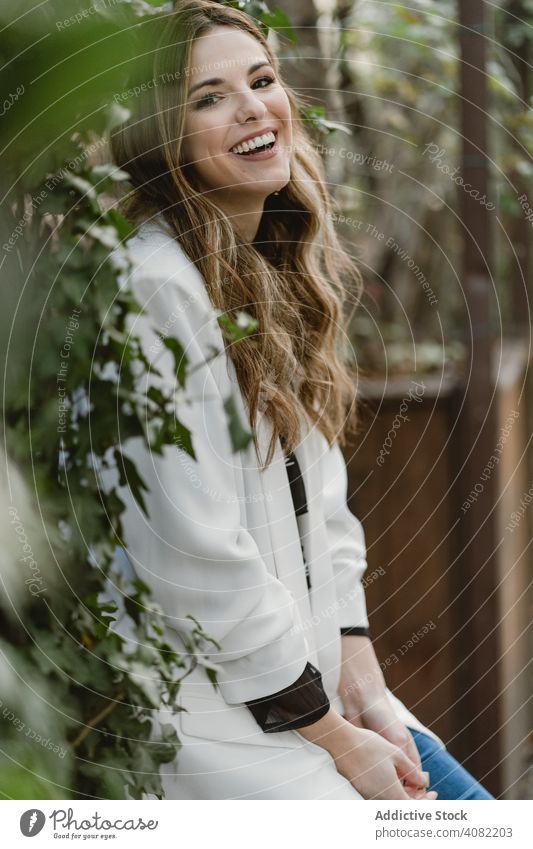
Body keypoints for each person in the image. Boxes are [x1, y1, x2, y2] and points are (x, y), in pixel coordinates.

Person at [108, 0, 493, 800]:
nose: (252, 107)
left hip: (322, 701)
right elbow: (195, 558)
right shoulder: (152, 292)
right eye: (207, 96)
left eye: (261, 80)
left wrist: (366, 691)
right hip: (230, 736)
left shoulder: (274, 273)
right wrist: (333, 736)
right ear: (161, 137)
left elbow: (323, 507)